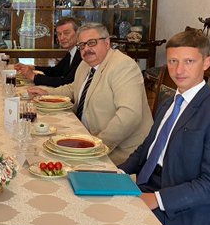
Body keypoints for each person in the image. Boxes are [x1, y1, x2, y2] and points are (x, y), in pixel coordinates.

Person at [119, 29, 210, 225]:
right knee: (93, 206)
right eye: (173, 61)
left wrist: (157, 199)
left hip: (184, 214)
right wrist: (116, 174)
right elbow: (146, 150)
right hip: (149, 187)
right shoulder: (169, 103)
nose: (179, 70)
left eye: (189, 61)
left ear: (206, 63)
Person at [28, 22, 152, 163]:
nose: (86, 49)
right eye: (81, 45)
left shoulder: (123, 66)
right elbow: (73, 88)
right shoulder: (85, 64)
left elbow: (129, 115)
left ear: (107, 42)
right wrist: (45, 93)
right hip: (84, 135)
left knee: (51, 162)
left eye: (92, 43)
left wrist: (96, 145)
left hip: (120, 152)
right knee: (38, 148)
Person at [14, 17, 82, 87]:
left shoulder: (82, 54)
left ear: (78, 33)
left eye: (66, 33)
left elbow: (66, 82)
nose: (62, 38)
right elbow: (55, 71)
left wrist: (33, 76)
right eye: (59, 34)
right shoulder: (71, 52)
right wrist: (33, 67)